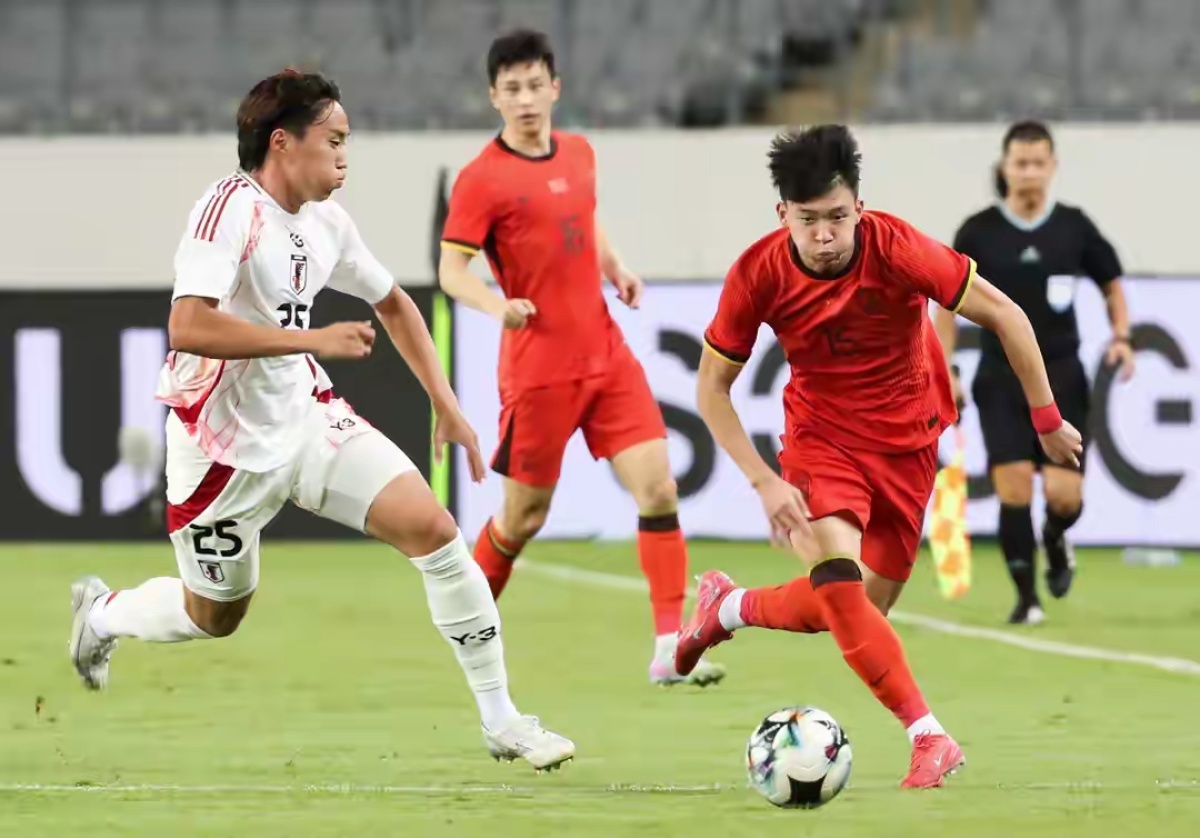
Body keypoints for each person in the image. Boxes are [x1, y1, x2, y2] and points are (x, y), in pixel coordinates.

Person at [67, 69, 574, 772]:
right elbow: (188, 326)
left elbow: (393, 303)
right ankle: (101, 615)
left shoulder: (328, 224)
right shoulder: (228, 210)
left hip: (307, 418)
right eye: (334, 140)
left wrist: (447, 403)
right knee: (214, 615)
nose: (344, 156)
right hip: (220, 453)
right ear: (283, 142)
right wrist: (309, 339)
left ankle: (503, 720)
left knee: (434, 531)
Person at [673, 125, 1082, 788]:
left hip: (910, 442)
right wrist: (764, 481)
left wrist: (1047, 419)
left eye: (838, 217)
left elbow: (1007, 315)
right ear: (783, 215)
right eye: (809, 220)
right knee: (839, 586)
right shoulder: (757, 274)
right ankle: (928, 736)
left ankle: (727, 607)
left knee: (858, 609)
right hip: (823, 440)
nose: (825, 235)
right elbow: (710, 390)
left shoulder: (897, 248)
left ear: (859, 207)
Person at [438, 29, 724, 687]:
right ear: (494, 97)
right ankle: (464, 624)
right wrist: (497, 307)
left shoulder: (579, 152)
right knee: (523, 518)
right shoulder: (482, 180)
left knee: (658, 487)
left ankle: (669, 648)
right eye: (512, 88)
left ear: (555, 88)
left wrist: (615, 266)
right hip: (538, 370)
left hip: (605, 354)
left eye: (535, 85)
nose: (525, 99)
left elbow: (582, 215)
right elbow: (452, 271)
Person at [934, 120, 1133, 625]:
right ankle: (1027, 600)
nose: (1028, 172)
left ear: (1052, 166)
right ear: (1005, 167)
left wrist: (1122, 337)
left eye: (1037, 163)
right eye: (1020, 163)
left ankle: (1056, 537)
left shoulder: (1073, 226)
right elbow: (945, 305)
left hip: (1062, 374)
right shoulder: (978, 231)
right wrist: (945, 368)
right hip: (1000, 377)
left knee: (1065, 497)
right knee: (1014, 488)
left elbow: (1111, 284)